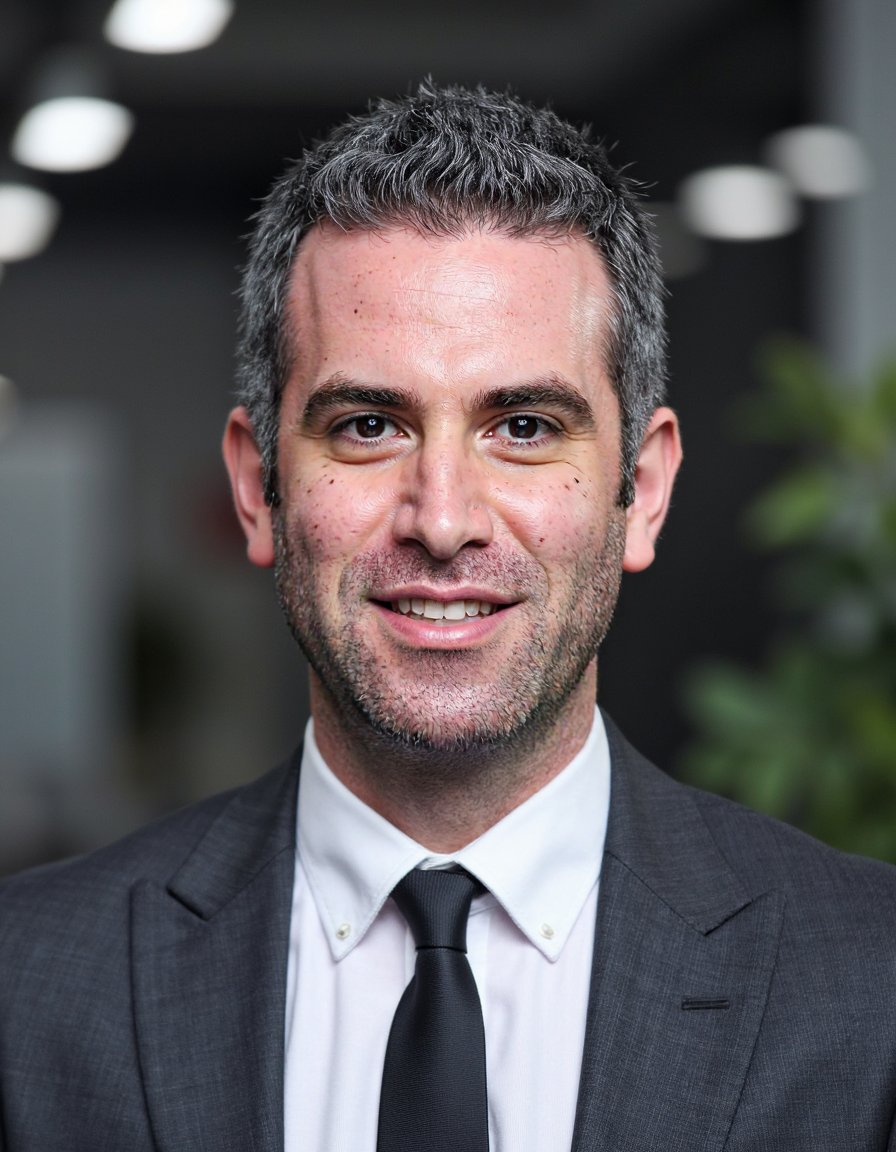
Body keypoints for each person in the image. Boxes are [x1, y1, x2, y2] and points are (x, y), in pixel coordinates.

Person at [1, 81, 895, 1152]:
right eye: (368, 425)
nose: (442, 519)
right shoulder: (27, 987)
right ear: (256, 488)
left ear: (641, 491)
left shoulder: (869, 984)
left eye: (522, 426)